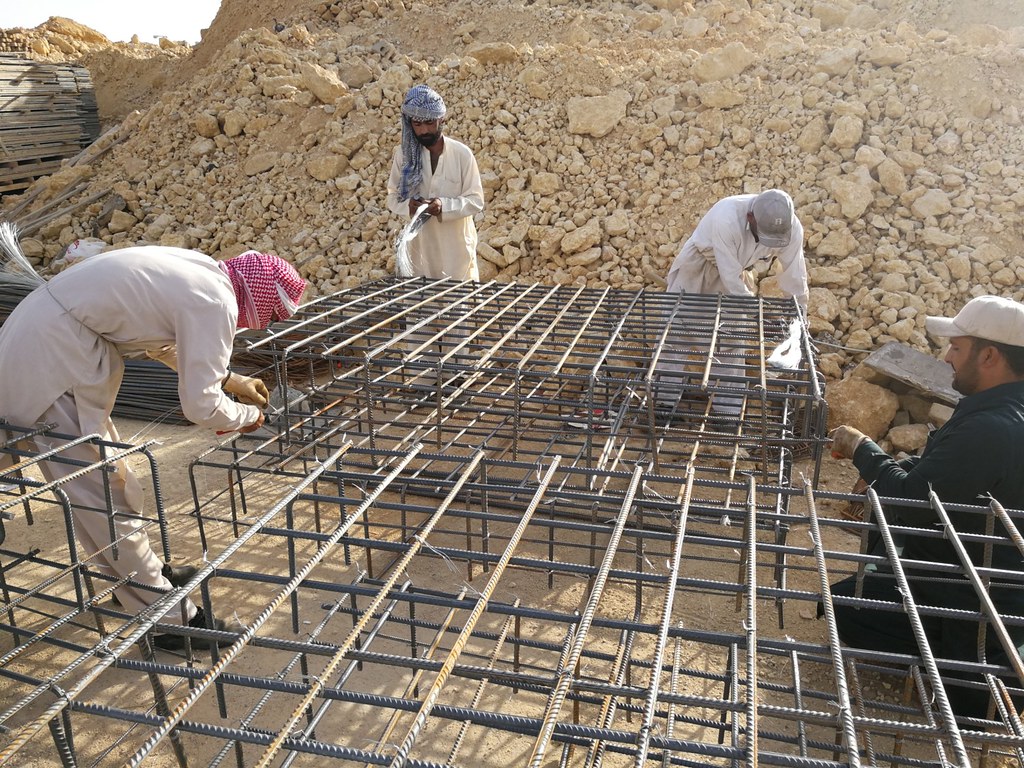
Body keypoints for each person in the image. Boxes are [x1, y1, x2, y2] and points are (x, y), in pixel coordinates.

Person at [0, 230, 306, 650]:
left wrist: (232, 380)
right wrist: (247, 417)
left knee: (113, 487)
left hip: (52, 340)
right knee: (102, 496)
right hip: (54, 360)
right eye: (269, 316)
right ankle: (170, 620)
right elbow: (199, 406)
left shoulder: (204, 272)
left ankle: (144, 580)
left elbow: (162, 341)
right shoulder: (216, 301)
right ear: (256, 300)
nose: (263, 324)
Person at [829, 295, 1024, 718]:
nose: (947, 357)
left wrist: (863, 449)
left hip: (981, 596)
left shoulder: (991, 428)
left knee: (839, 606)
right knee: (888, 508)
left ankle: (970, 677)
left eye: (957, 347)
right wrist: (897, 466)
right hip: (993, 572)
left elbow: (913, 502)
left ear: (989, 355)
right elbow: (947, 472)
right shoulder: (1004, 411)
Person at [657, 189, 809, 420]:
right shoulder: (727, 216)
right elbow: (729, 279)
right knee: (677, 335)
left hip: (737, 274)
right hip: (699, 268)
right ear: (751, 218)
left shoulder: (791, 228)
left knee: (729, 342)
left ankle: (727, 414)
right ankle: (662, 406)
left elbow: (795, 276)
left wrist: (799, 320)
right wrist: (759, 317)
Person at [386, 84, 484, 281]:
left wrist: (444, 206)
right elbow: (392, 197)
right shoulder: (404, 156)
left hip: (455, 251)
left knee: (459, 305)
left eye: (430, 123)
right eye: (418, 125)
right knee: (421, 305)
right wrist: (409, 206)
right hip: (420, 247)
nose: (424, 131)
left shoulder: (461, 154)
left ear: (442, 119)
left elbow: (476, 200)